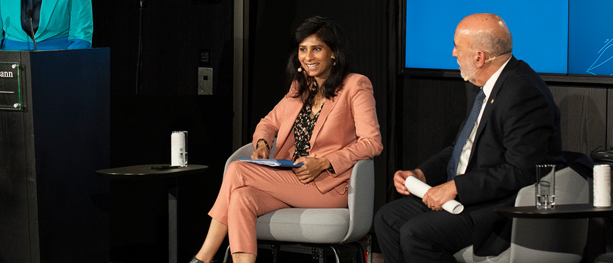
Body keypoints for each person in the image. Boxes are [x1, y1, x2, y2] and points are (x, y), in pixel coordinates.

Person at [190, 16, 384, 263]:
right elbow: (267, 123)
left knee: (238, 170)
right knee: (241, 198)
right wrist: (262, 144)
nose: (308, 56)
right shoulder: (300, 87)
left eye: (316, 49)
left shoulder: (355, 85)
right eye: (303, 49)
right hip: (290, 179)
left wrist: (324, 162)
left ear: (334, 53)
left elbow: (372, 142)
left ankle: (203, 257)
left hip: (328, 185)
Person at [374, 13, 564, 262]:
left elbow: (522, 171)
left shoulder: (522, 92)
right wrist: (421, 174)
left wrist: (455, 187)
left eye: (457, 46)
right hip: (466, 197)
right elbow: (461, 148)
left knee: (417, 233)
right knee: (388, 218)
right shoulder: (490, 86)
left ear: (479, 57)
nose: (453, 53)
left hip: (494, 207)